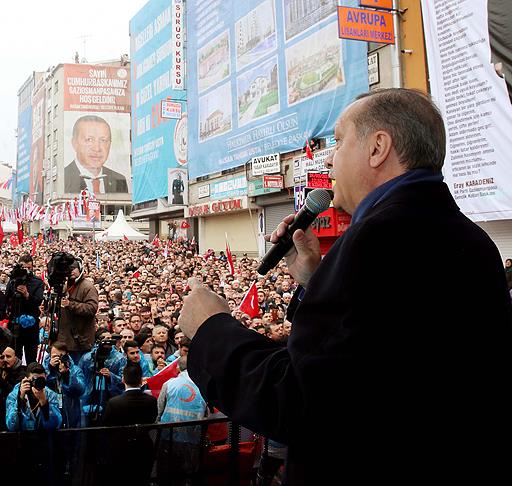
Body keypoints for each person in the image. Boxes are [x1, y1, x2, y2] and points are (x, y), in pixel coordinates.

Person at [180, 88, 512, 485]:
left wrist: (212, 329)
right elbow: (380, 368)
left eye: (337, 141)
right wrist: (316, 279)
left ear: (378, 148)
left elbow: (306, 402)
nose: (329, 157)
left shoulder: (375, 241)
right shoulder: (474, 243)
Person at [101, 362, 157, 485]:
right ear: (141, 380)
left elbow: (107, 424)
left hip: (120, 448)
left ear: (123, 379)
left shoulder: (114, 403)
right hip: (144, 447)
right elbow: (152, 419)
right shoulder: (151, 401)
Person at [156, 356, 208, 482]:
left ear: (178, 367)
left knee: (167, 473)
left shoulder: (169, 384)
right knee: (188, 475)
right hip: (193, 437)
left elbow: (159, 410)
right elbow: (206, 414)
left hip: (168, 435)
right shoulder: (203, 386)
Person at [64, 115, 128, 195]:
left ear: (110, 144)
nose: (97, 148)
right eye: (89, 140)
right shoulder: (63, 178)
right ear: (74, 143)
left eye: (103, 140)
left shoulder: (119, 180)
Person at [5, 254, 45, 365]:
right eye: (24, 268)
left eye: (29, 268)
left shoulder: (37, 282)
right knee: (14, 356)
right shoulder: (12, 280)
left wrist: (27, 294)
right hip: (15, 323)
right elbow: (6, 298)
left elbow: (38, 300)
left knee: (31, 357)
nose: (26, 270)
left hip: (31, 325)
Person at [58, 259, 99, 363]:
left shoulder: (88, 287)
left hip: (80, 341)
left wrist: (71, 304)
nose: (70, 271)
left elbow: (92, 308)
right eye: (68, 269)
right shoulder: (64, 286)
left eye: (73, 269)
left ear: (80, 269)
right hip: (65, 340)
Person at [6, 362, 62, 432]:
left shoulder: (51, 395)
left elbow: (55, 425)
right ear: (27, 379)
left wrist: (44, 403)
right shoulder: (14, 395)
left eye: (42, 379)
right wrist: (20, 399)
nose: (39, 382)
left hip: (44, 440)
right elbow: (11, 426)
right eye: (35, 379)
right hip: (21, 439)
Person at [45, 342, 85, 428]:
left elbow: (80, 390)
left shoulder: (75, 370)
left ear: (67, 355)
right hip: (51, 416)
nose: (58, 359)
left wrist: (68, 374)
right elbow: (41, 387)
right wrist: (50, 370)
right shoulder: (44, 370)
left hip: (71, 415)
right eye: (54, 356)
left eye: (61, 356)